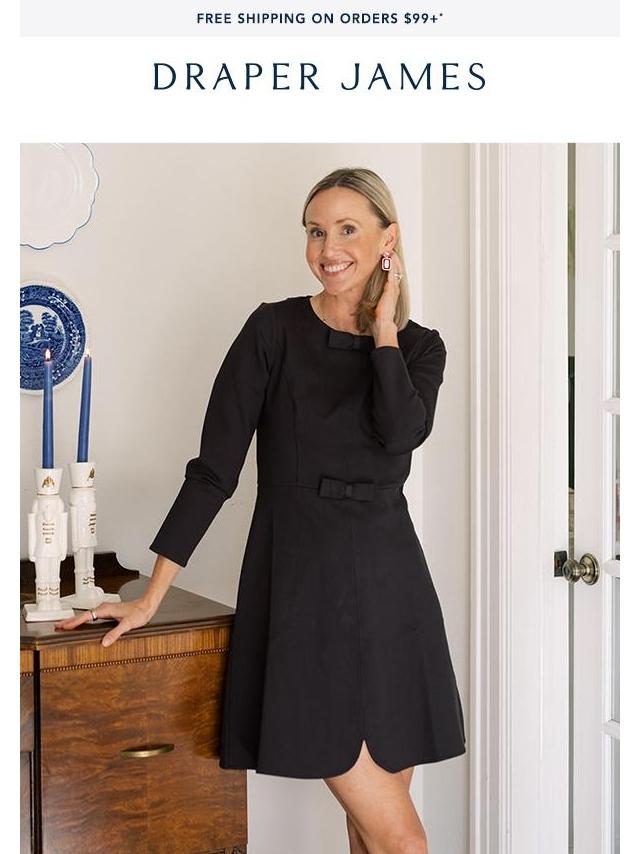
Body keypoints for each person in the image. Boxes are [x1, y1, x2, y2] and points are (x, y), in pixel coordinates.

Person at [54, 166, 466, 854]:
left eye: (347, 229)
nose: (327, 248)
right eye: (315, 231)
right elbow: (213, 472)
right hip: (303, 591)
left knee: (372, 831)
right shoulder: (272, 331)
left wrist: (384, 330)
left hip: (395, 595)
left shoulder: (419, 347)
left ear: (388, 239)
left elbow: (401, 433)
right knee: (403, 840)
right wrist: (150, 598)